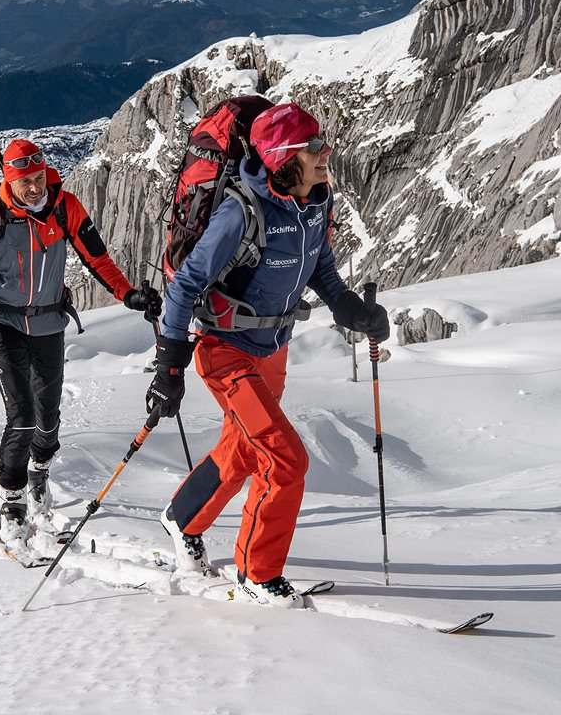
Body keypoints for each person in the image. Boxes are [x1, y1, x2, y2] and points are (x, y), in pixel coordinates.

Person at [146, 103, 390, 607]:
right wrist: (169, 363)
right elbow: (187, 282)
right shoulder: (242, 210)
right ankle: (258, 574)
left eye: (323, 143)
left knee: (242, 451)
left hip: (272, 350)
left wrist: (353, 311)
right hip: (225, 352)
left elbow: (321, 271)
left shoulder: (314, 203)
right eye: (314, 147)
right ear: (283, 157)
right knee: (285, 460)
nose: (326, 154)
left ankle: (182, 517)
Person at [0, 138, 161, 541]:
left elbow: (97, 259)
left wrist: (128, 294)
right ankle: (12, 496)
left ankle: (39, 470)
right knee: (22, 417)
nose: (34, 187)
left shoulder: (65, 207)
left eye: (39, 177)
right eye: (25, 180)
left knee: (48, 419)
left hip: (48, 323)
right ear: (9, 179)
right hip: (2, 323)